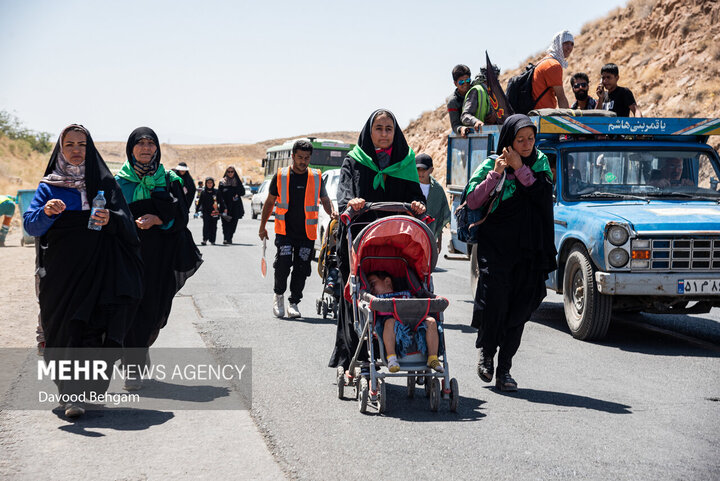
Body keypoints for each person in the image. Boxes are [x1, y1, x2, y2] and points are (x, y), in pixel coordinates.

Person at [23, 124, 143, 418]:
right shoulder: (48, 186)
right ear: (60, 150)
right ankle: (69, 395)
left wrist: (110, 219)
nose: (76, 151)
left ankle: (90, 391)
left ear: (90, 149)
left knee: (95, 329)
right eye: (69, 145)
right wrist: (46, 211)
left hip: (101, 271)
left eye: (82, 145)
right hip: (61, 275)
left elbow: (127, 226)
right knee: (64, 332)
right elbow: (30, 226)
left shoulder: (104, 185)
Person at [328, 108, 426, 374]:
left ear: (395, 132)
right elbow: (344, 193)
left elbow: (418, 198)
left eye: (389, 129)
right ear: (369, 132)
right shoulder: (354, 160)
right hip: (359, 239)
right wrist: (352, 202)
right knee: (354, 298)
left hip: (395, 243)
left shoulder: (405, 161)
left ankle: (406, 350)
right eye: (378, 129)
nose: (384, 134)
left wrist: (418, 205)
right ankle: (353, 354)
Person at [464, 114, 556, 391]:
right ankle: (487, 355)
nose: (527, 144)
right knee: (495, 301)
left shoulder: (540, 164)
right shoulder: (491, 163)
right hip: (496, 247)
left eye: (531, 139)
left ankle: (504, 369)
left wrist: (521, 169)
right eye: (520, 139)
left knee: (519, 309)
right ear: (509, 139)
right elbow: (472, 200)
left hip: (530, 249)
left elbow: (544, 197)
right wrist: (497, 174)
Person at [115, 126, 202, 390]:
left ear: (157, 148)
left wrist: (158, 219)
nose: (145, 148)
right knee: (129, 306)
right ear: (131, 148)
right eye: (139, 143)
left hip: (160, 255)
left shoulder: (171, 179)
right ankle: (133, 366)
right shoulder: (117, 181)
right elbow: (108, 214)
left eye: (150, 143)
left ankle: (139, 350)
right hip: (126, 253)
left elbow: (182, 217)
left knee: (153, 310)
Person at [259, 140, 336, 319]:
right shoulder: (281, 176)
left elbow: (324, 199)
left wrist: (331, 212)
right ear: (292, 156)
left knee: (302, 268)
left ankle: (294, 303)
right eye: (300, 157)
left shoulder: (316, 176)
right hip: (285, 231)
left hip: (306, 234)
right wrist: (262, 227)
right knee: (283, 265)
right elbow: (270, 202)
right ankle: (279, 295)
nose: (303, 161)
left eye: (307, 158)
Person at [367, 271, 443, 373]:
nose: (371, 289)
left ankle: (432, 358)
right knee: (389, 323)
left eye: (372, 284)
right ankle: (392, 358)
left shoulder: (406, 293)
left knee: (431, 321)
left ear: (387, 281)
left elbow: (416, 302)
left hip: (414, 317)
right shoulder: (376, 299)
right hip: (392, 320)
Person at [415, 153, 450, 253]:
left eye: (424, 170)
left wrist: (439, 242)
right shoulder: (409, 186)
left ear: (431, 170)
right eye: (418, 169)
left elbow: (441, 216)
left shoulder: (437, 190)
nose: (421, 173)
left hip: (429, 233)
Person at [533, 30, 574, 110]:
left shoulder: (544, 61)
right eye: (566, 43)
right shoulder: (553, 65)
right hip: (543, 115)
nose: (569, 47)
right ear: (557, 44)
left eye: (572, 44)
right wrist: (569, 120)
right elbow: (561, 97)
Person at [461, 65, 501, 132]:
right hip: (476, 135)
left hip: (490, 133)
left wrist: (495, 117)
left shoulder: (493, 94)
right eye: (495, 76)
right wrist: (476, 122)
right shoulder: (477, 91)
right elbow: (465, 116)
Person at [218, 165, 245, 244]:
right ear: (226, 172)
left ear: (234, 172)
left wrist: (237, 194)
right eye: (228, 172)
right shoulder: (222, 182)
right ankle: (226, 238)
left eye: (232, 172)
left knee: (234, 222)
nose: (230, 173)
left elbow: (243, 192)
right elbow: (219, 194)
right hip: (225, 205)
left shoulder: (237, 181)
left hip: (235, 206)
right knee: (225, 222)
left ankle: (230, 237)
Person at [447, 64, 473, 137]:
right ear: (455, 83)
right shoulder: (453, 102)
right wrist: (461, 128)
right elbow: (455, 125)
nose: (465, 84)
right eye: (461, 82)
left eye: (467, 80)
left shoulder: (476, 92)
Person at [196, 176, 221, 245]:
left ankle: (212, 240)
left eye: (211, 183)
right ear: (206, 183)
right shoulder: (203, 192)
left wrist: (223, 209)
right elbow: (200, 202)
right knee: (206, 225)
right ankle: (205, 239)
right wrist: (197, 210)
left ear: (213, 184)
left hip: (215, 211)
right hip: (206, 212)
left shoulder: (216, 192)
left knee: (214, 226)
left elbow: (221, 201)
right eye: (208, 183)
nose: (209, 184)